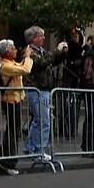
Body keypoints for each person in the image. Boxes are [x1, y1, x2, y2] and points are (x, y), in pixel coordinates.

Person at [22, 25, 63, 162]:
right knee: (44, 121)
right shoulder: (30, 52)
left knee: (38, 120)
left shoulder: (42, 51)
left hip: (44, 88)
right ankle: (39, 149)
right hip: (36, 89)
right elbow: (41, 64)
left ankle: (29, 147)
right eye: (40, 35)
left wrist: (61, 53)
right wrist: (56, 52)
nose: (43, 38)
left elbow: (52, 60)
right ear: (33, 38)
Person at [0, 39, 33, 176]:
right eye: (13, 48)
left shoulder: (11, 63)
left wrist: (25, 57)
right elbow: (25, 69)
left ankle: (1, 156)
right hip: (9, 101)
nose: (16, 50)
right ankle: (7, 162)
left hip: (16, 100)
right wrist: (28, 57)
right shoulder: (5, 66)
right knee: (13, 132)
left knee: (11, 131)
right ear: (7, 52)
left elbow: (21, 66)